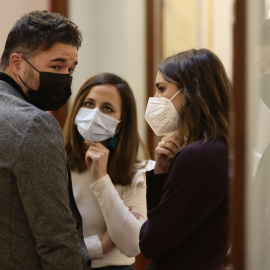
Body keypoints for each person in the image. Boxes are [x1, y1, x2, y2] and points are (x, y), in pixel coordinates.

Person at [0, 10, 91, 269]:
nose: (65, 77)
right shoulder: (34, 125)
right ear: (17, 63)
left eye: (70, 68)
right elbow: (56, 237)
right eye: (56, 66)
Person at [139, 48, 231, 270]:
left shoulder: (196, 155)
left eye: (162, 89)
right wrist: (161, 171)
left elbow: (151, 242)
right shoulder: (219, 148)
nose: (156, 98)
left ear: (191, 91)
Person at [63, 72, 155, 270]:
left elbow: (132, 245)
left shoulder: (138, 172)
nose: (95, 113)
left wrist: (102, 179)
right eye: (88, 104)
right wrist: (99, 247)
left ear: (120, 124)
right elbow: (48, 242)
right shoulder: (56, 164)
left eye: (107, 108)